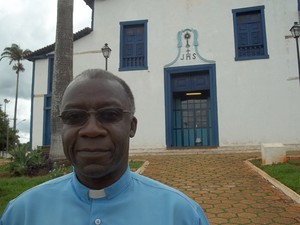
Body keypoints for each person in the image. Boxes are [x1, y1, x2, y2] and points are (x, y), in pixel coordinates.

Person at [0, 69, 209, 225]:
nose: (91, 130)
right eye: (74, 117)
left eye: (109, 115)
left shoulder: (181, 215)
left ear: (132, 126)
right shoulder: (22, 214)